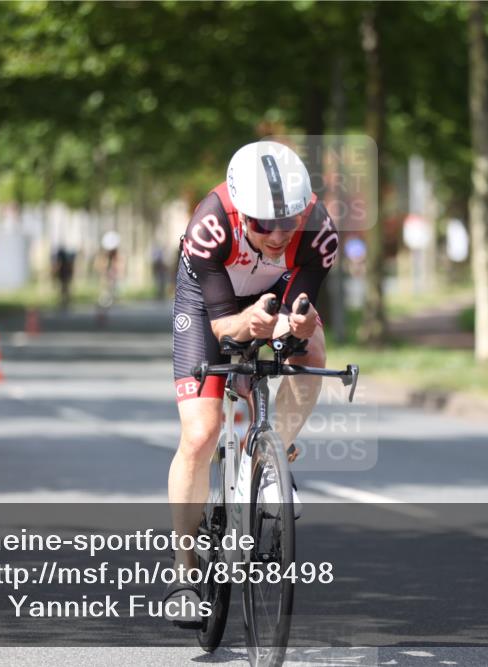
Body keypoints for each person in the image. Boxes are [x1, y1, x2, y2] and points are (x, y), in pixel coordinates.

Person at [165, 141, 339, 625]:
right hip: (208, 304)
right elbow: (224, 329)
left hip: (271, 293)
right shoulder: (209, 224)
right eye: (264, 224)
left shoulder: (319, 233)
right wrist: (248, 331)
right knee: (200, 434)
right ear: (241, 214)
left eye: (290, 222)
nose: (280, 235)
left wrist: (296, 327)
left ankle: (270, 457)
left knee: (315, 347)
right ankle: (183, 574)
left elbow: (297, 312)